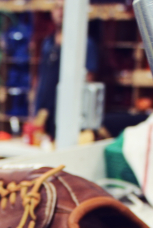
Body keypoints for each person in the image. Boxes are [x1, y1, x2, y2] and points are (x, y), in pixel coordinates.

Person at [35, 0, 99, 140]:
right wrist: (38, 108)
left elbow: (89, 79)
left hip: (69, 111)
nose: (60, 12)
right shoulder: (48, 43)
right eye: (57, 8)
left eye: (64, 8)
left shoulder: (84, 43)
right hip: (47, 112)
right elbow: (42, 77)